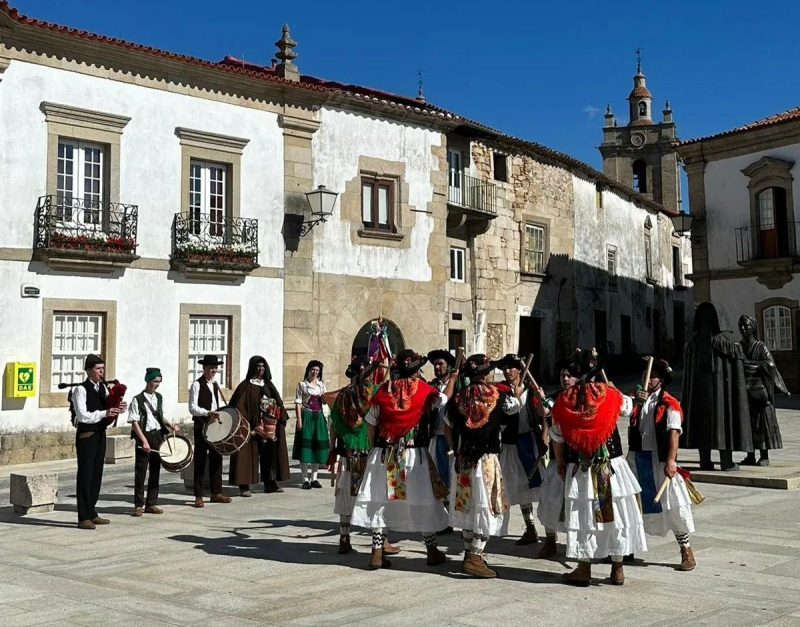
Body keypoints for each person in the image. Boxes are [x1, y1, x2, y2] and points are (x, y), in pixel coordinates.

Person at [351, 349, 457, 570]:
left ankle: (376, 552)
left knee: (380, 501)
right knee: (423, 499)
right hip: (413, 454)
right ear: (416, 370)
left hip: (384, 454)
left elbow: (371, 423)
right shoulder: (424, 390)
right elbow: (443, 400)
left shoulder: (383, 390)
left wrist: (374, 449)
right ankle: (431, 550)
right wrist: (454, 379)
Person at [550, 349, 646, 586]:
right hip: (610, 466)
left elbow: (557, 435)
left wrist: (560, 463)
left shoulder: (565, 399)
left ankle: (584, 568)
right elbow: (627, 407)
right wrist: (622, 392)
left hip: (582, 468)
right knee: (614, 516)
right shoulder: (608, 393)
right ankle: (617, 568)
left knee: (584, 517)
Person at [446, 354, 520, 578]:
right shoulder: (499, 396)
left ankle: (470, 553)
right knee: (486, 506)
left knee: (468, 506)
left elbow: (448, 423)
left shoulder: (458, 398)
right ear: (486, 374)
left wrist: (456, 446)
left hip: (463, 459)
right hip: (486, 459)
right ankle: (475, 556)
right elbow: (515, 408)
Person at [624, 359, 696, 571]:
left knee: (674, 505)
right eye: (646, 375)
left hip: (660, 459)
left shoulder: (670, 403)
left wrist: (671, 461)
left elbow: (674, 433)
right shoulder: (637, 400)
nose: (647, 379)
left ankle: (686, 550)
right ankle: (626, 548)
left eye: (652, 376)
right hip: (637, 459)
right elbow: (622, 408)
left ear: (661, 380)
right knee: (631, 504)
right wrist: (635, 400)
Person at [330, 355, 380, 554]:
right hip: (370, 450)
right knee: (375, 493)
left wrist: (333, 447)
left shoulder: (342, 396)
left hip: (347, 451)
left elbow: (334, 424)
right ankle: (380, 542)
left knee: (345, 494)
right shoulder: (375, 393)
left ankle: (344, 536)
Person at [532, 358, 581, 559]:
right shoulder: (555, 398)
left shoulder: (584, 398)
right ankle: (550, 540)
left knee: (577, 502)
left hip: (578, 458)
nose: (565, 379)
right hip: (557, 457)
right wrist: (540, 398)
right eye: (562, 375)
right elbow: (544, 412)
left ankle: (578, 545)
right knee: (550, 499)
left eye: (569, 375)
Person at [71, 354, 126, 529]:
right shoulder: (81, 389)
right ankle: (83, 517)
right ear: (89, 370)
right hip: (87, 437)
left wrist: (118, 409)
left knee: (96, 475)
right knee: (85, 475)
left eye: (102, 368)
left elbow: (106, 408)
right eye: (97, 368)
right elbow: (82, 416)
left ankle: (91, 511)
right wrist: (104, 413)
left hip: (100, 434)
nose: (101, 371)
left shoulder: (102, 388)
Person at [496, 353, 543, 547]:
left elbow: (543, 415)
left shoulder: (531, 389)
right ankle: (530, 527)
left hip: (530, 441)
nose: (507, 371)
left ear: (520, 370)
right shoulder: (501, 392)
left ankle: (550, 531)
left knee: (540, 485)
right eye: (505, 368)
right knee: (519, 488)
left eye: (511, 367)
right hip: (511, 444)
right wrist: (514, 396)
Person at [229, 356, 290, 495]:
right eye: (258, 366)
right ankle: (244, 486)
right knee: (247, 455)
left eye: (262, 366)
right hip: (251, 427)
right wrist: (247, 423)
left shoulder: (268, 385)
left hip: (268, 427)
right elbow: (239, 405)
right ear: (252, 368)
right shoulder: (245, 385)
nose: (260, 369)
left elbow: (278, 402)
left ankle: (270, 483)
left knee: (270, 454)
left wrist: (278, 415)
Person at [738, 315, 789, 467]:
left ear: (752, 327)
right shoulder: (739, 346)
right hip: (744, 392)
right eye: (741, 326)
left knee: (762, 424)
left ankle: (764, 455)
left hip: (759, 391)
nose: (743, 329)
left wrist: (754, 365)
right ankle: (750, 455)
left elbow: (770, 365)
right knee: (747, 424)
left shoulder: (760, 347)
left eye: (746, 326)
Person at [127, 367, 179, 517]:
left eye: (159, 382)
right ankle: (138, 505)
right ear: (148, 380)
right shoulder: (137, 399)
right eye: (155, 381)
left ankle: (151, 503)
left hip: (157, 436)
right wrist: (143, 441)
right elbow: (134, 422)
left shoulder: (159, 397)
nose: (157, 385)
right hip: (144, 435)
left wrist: (170, 425)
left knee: (155, 470)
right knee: (141, 472)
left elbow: (158, 416)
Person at [188, 355, 231, 507]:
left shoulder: (215, 385)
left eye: (215, 368)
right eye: (210, 368)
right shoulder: (196, 385)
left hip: (215, 427)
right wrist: (207, 413)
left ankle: (216, 492)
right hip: (201, 426)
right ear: (204, 368)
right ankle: (198, 495)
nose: (213, 370)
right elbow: (192, 408)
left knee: (216, 458)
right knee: (200, 460)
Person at [427, 349, 457, 534]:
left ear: (449, 367)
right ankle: (445, 518)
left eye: (441, 364)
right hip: (436, 436)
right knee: (439, 478)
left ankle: (455, 516)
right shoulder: (430, 386)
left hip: (453, 438)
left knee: (454, 477)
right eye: (435, 365)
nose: (437, 367)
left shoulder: (459, 385)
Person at [293, 360, 330, 489]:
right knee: (305, 448)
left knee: (317, 447)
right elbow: (298, 403)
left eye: (317, 371)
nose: (315, 372)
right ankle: (305, 479)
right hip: (306, 415)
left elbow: (324, 403)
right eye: (313, 370)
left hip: (318, 417)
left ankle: (314, 478)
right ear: (308, 370)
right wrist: (299, 420)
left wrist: (325, 398)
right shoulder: (302, 385)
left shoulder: (321, 385)